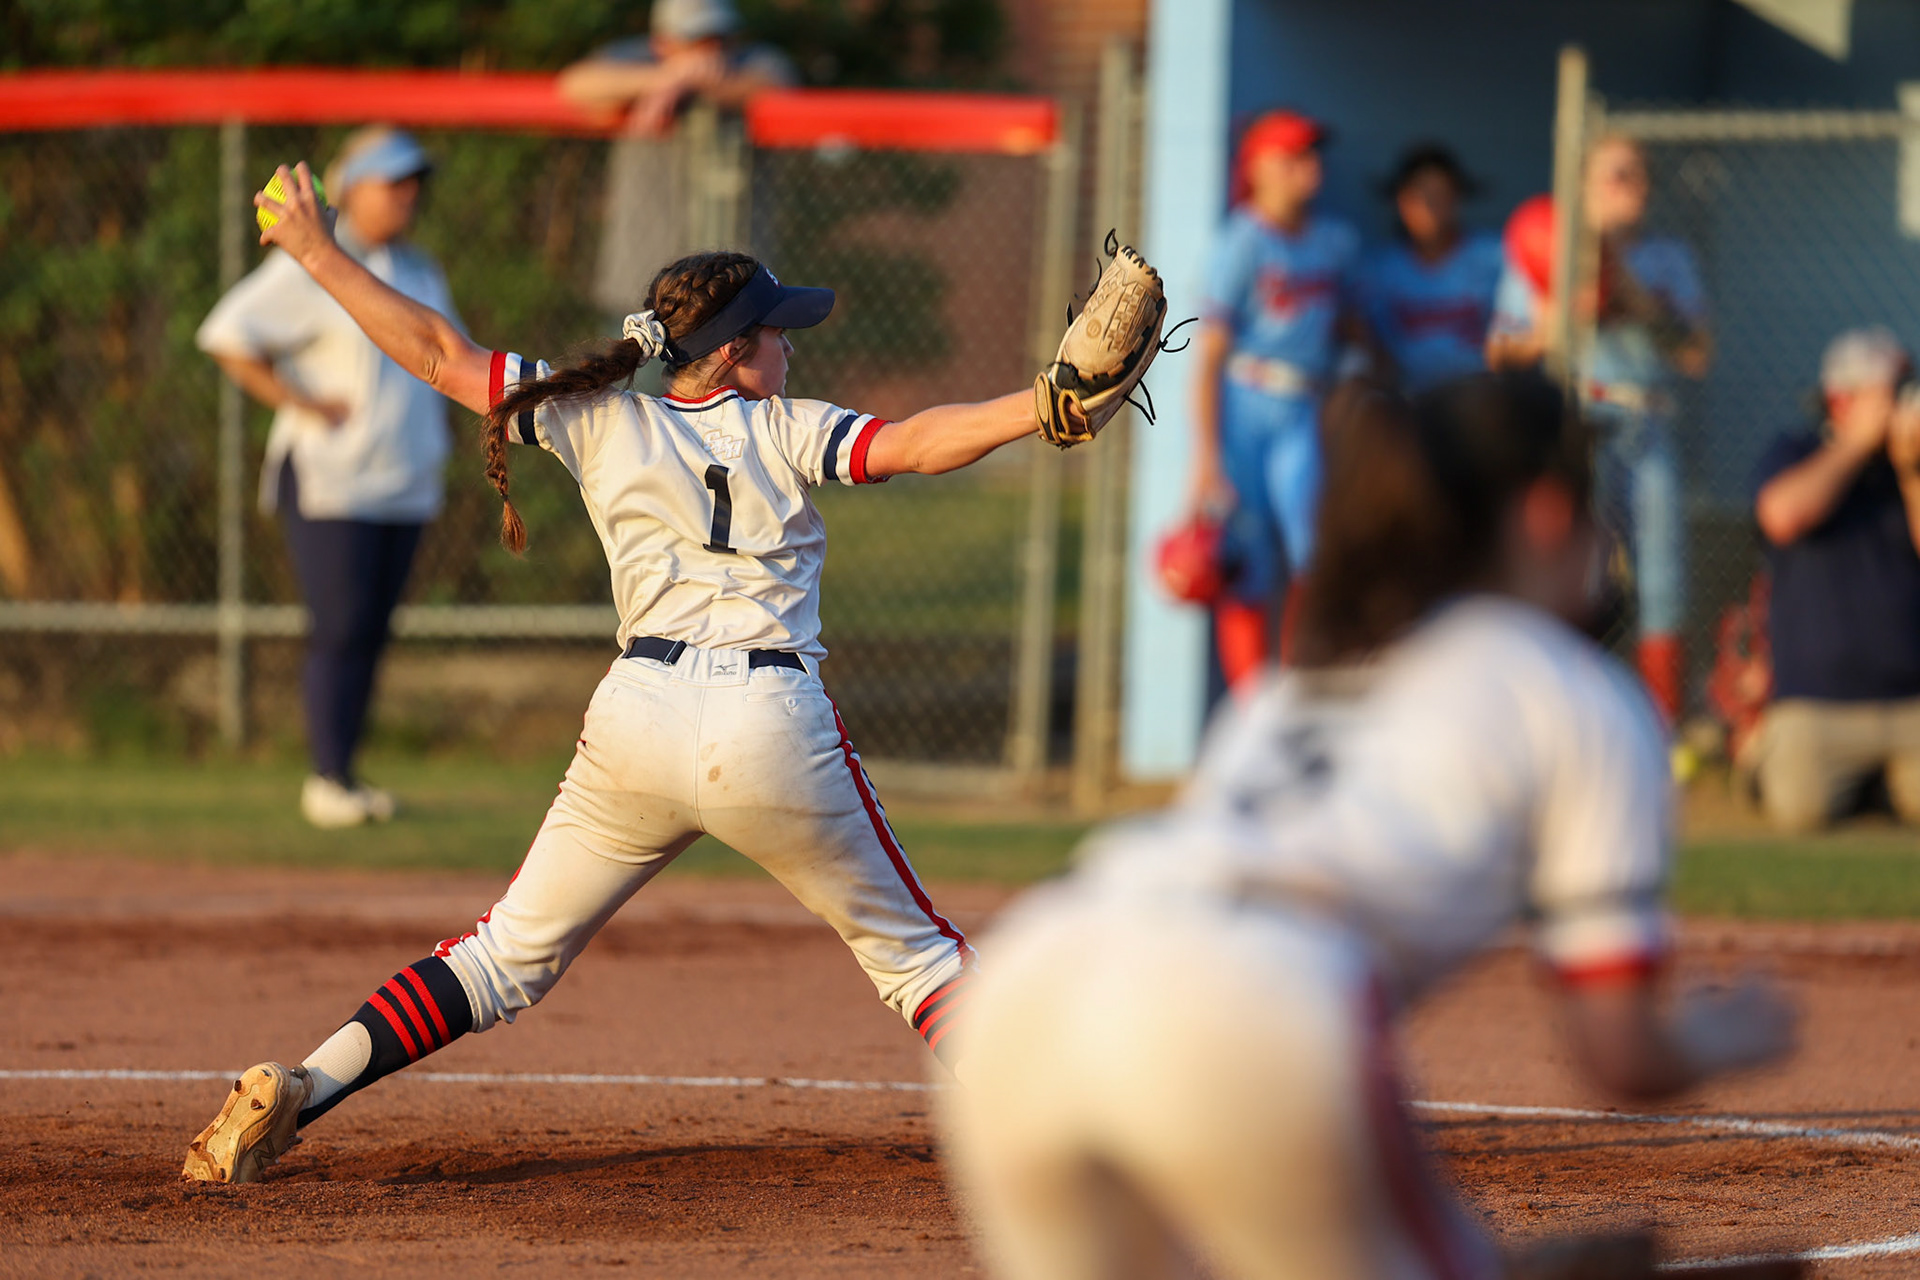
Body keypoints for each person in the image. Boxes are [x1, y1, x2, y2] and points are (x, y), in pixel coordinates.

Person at [182, 162, 1090, 1185]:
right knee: (918, 957)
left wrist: (316, 252)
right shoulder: (789, 427)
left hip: (636, 719)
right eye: (779, 332)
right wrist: (1044, 403)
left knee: (498, 958)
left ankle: (305, 1083)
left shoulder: (597, 416)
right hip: (771, 722)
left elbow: (438, 352)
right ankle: (1068, 1139)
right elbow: (919, 442)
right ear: (737, 353)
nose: (790, 346)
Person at [943, 374, 1795, 1279]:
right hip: (1254, 1000)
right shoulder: (1578, 693)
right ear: (1548, 516)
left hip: (1030, 983)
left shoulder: (1294, 686)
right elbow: (1619, 1050)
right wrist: (1724, 1033)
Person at [196, 127, 452, 829]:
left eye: (412, 183)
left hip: (405, 481)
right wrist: (300, 403)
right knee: (339, 627)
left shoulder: (420, 269)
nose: (406, 196)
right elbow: (227, 333)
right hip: (329, 482)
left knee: (369, 631)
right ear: (350, 188)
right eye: (390, 182)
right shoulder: (315, 264)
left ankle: (345, 774)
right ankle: (325, 777)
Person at [1487, 135, 1710, 726]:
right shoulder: (1548, 246)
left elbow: (1696, 353)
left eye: (1639, 176)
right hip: (1582, 418)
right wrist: (1563, 317)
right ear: (1583, 187)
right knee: (1578, 572)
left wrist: (1633, 299)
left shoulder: (1667, 257)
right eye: (1615, 176)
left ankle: (1662, 733)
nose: (1630, 187)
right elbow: (1501, 349)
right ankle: (1570, 722)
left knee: (1661, 579)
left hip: (1647, 415)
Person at [1188, 110, 1368, 688]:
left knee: (1316, 551)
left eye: (1311, 156)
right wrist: (1208, 457)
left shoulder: (1334, 242)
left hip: (1306, 406)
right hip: (1247, 402)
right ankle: (1251, 711)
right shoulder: (1240, 241)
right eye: (1292, 157)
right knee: (1245, 562)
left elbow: (1349, 326)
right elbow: (1209, 356)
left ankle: (1299, 696)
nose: (1308, 168)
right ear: (1259, 169)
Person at [1749, 327, 1920, 832]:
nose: (1902, 403)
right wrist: (1856, 446)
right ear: (1841, 399)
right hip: (1818, 704)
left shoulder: (1908, 466)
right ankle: (1765, 761)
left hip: (1912, 702)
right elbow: (1782, 515)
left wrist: (1910, 472)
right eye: (1891, 391)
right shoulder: (1796, 449)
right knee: (1802, 811)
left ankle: (1880, 787)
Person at [559, 0, 797, 317]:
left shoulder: (754, 61)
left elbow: (777, 83)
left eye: (719, 37)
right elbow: (575, 85)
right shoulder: (636, 58)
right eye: (695, 39)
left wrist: (688, 81)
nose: (710, 50)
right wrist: (665, 78)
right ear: (662, 41)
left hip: (730, 285)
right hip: (642, 280)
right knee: (637, 364)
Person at [1358, 142, 1503, 396]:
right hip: (1410, 404)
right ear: (1400, 202)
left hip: (1479, 401)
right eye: (1417, 196)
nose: (1429, 207)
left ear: (1457, 198)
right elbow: (1370, 348)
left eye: (1439, 195)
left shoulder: (1493, 257)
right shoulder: (1381, 269)